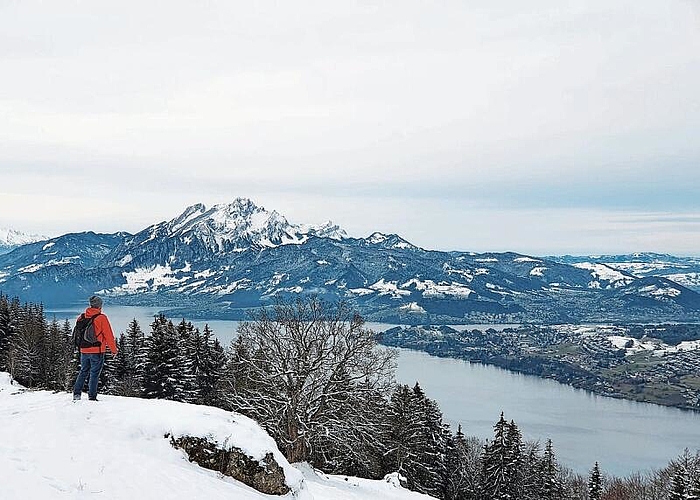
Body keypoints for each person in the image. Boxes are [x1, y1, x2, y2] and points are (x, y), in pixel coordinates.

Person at [72, 295, 118, 401]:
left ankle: (76, 394)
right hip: (97, 351)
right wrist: (113, 350)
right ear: (100, 306)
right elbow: (108, 335)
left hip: (83, 350)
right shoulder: (101, 318)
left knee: (83, 371)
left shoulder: (82, 317)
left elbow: (77, 334)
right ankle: (92, 397)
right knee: (94, 374)